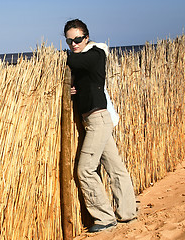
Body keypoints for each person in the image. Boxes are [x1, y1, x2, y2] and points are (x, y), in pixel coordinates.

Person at [64, 19, 137, 233]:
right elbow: (81, 76)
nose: (74, 44)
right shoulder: (84, 59)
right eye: (69, 41)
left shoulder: (96, 53)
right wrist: (73, 90)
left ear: (86, 37)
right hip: (94, 120)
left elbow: (74, 62)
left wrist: (68, 60)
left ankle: (105, 218)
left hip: (99, 120)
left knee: (85, 169)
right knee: (116, 168)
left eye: (78, 39)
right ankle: (128, 212)